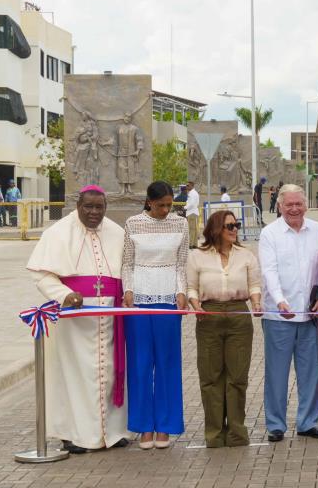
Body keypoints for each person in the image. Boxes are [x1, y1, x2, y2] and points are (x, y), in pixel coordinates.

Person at [26, 185, 130, 453]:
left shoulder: (117, 233)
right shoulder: (58, 233)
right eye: (89, 207)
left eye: (99, 207)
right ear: (78, 206)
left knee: (108, 371)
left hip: (109, 315)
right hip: (74, 318)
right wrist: (65, 294)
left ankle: (113, 432)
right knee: (72, 375)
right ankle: (71, 434)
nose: (94, 213)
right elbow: (42, 274)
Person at [258, 184, 318, 442]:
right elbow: (269, 271)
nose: (295, 209)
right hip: (279, 316)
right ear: (279, 206)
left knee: (310, 372)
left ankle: (308, 422)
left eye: (299, 204)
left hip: (309, 315)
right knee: (276, 372)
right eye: (289, 205)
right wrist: (279, 301)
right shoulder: (270, 234)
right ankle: (276, 424)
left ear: (306, 204)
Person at [187, 210, 263, 448]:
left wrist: (257, 303)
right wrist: (196, 305)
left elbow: (254, 285)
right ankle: (214, 434)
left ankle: (237, 432)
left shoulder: (246, 255)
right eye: (229, 225)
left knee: (237, 377)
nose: (234, 230)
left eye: (236, 225)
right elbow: (191, 288)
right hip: (209, 315)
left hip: (238, 314)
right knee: (210, 377)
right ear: (216, 228)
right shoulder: (197, 256)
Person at [122, 181, 189, 450]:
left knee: (167, 363)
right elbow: (126, 262)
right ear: (149, 202)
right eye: (160, 205)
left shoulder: (180, 224)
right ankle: (143, 427)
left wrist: (181, 291)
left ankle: (166, 426)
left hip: (168, 299)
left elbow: (182, 263)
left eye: (169, 205)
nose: (165, 210)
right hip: (138, 299)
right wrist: (128, 289)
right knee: (139, 363)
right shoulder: (133, 223)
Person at [186, 180, 200, 249]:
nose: (187, 187)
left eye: (188, 185)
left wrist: (185, 207)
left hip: (191, 212)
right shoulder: (194, 193)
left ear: (192, 186)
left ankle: (191, 244)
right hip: (193, 212)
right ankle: (195, 244)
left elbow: (191, 204)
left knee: (191, 229)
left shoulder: (192, 193)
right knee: (194, 229)